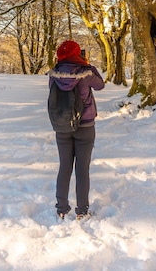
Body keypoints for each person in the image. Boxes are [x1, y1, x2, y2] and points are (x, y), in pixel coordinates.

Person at [49, 40, 105, 220]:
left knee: (64, 167)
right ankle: (81, 210)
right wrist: (88, 65)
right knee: (82, 169)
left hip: (62, 125)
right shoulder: (85, 73)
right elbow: (100, 85)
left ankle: (61, 209)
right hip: (85, 125)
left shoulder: (54, 74)